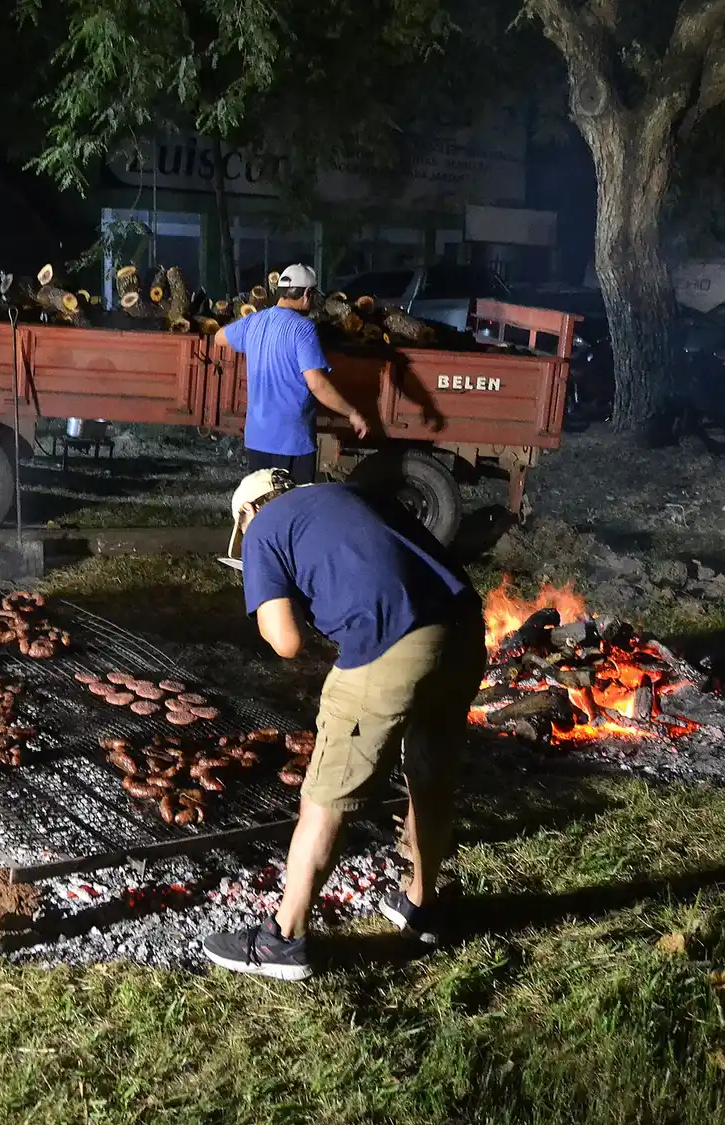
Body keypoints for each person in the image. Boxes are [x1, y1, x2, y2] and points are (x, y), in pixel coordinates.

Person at [200, 470, 486, 982]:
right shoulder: (354, 494)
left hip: (393, 641)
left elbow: (285, 640)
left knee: (325, 794)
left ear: (248, 514)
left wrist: (277, 602)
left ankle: (283, 940)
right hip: (465, 633)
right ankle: (421, 904)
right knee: (430, 773)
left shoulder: (265, 529)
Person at [213, 264, 370, 483]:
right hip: (291, 442)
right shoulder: (303, 329)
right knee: (294, 506)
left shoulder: (254, 321)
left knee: (264, 504)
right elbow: (317, 384)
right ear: (306, 293)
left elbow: (219, 337)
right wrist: (351, 412)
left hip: (257, 438)